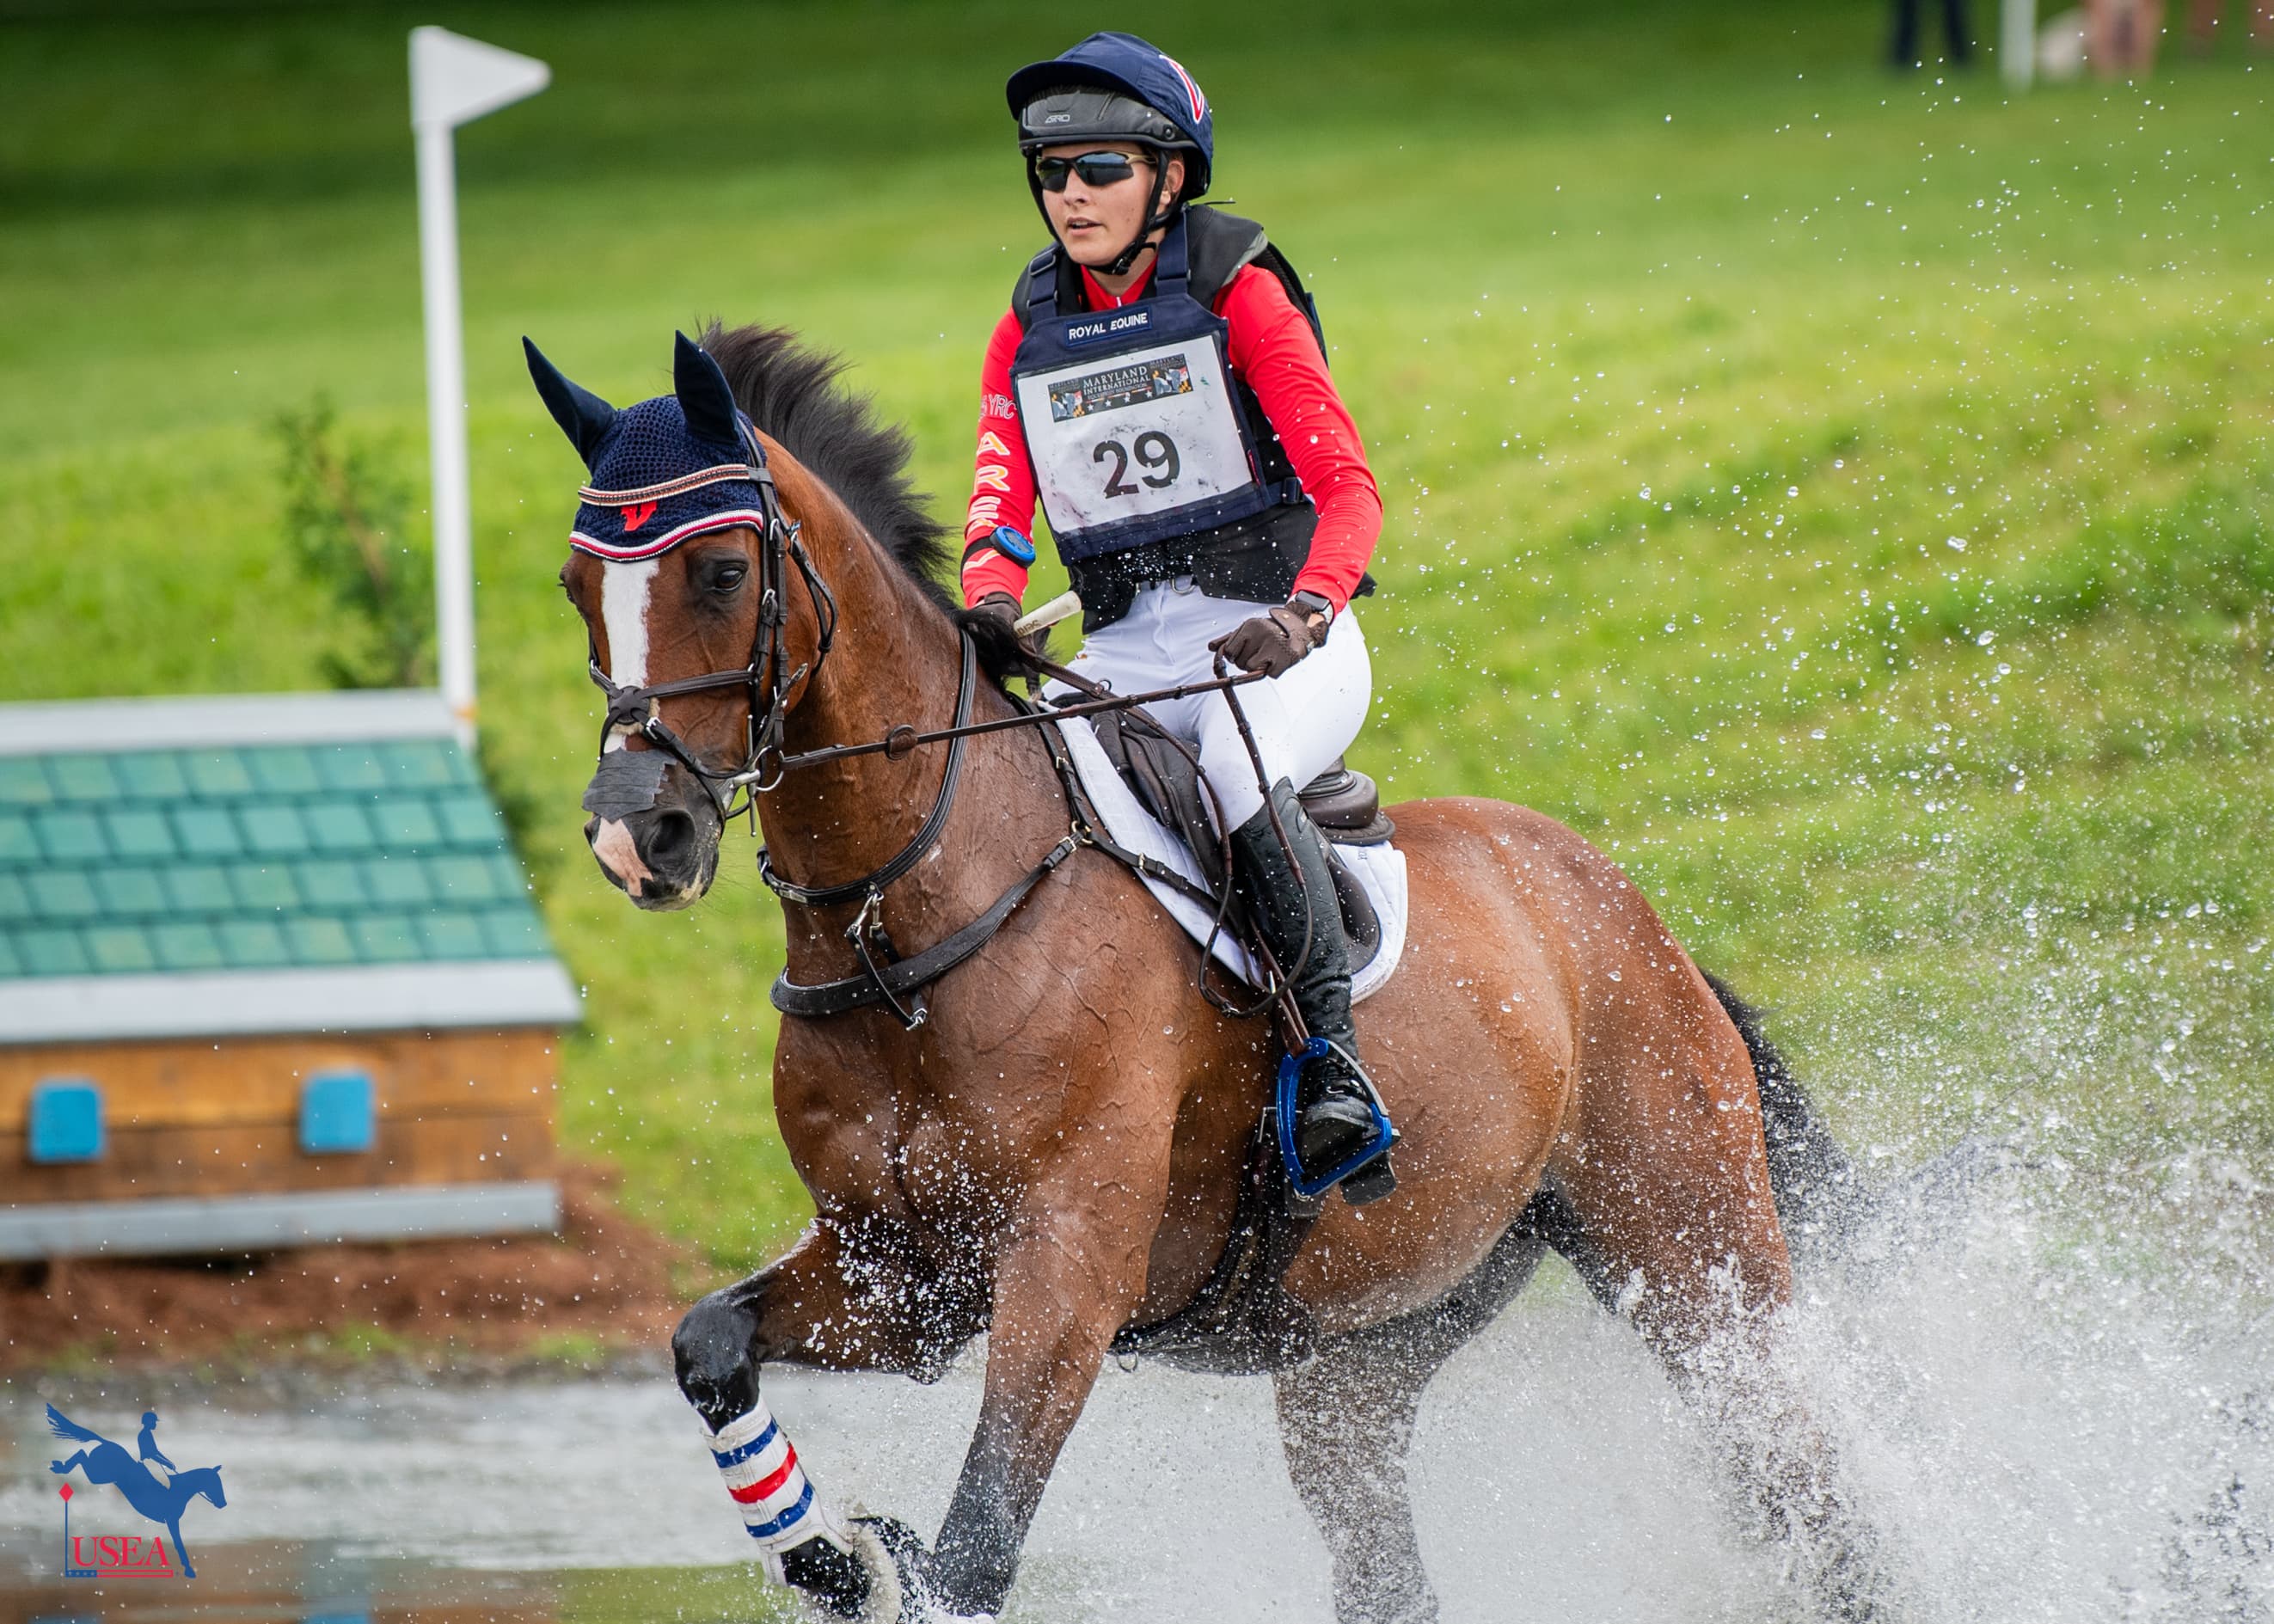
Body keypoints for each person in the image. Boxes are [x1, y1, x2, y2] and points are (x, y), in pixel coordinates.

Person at [961, 32, 1392, 1197]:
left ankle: (1336, 1067)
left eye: (1099, 168)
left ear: (1170, 178)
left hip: (1278, 639)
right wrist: (990, 602)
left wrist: (1305, 614)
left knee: (1235, 769)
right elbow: (999, 505)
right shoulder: (1027, 325)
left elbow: (1348, 490)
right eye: (1050, 172)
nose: (1070, 195)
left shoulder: (1238, 292)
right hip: (1123, 647)